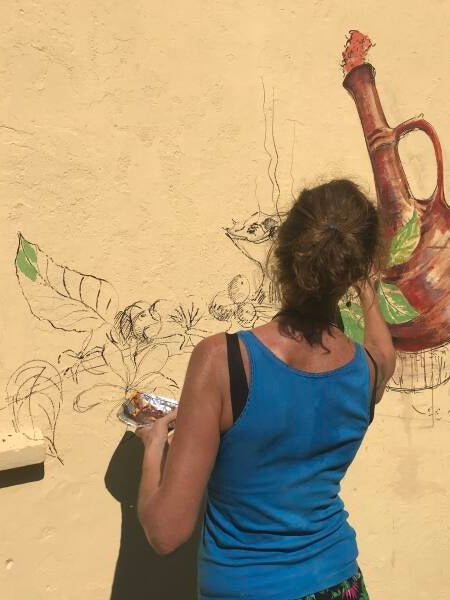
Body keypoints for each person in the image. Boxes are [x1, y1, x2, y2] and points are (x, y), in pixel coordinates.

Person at [135, 179, 396, 599]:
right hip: (340, 583)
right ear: (353, 268)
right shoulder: (367, 371)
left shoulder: (223, 361)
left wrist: (153, 448)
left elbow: (166, 532)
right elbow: (385, 351)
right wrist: (363, 281)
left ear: (282, 252)